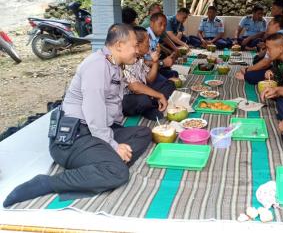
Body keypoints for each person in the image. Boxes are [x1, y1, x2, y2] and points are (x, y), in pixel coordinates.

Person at [3, 24, 152, 208]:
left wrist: (113, 141)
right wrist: (113, 145)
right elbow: (94, 114)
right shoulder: (96, 65)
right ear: (120, 45)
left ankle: (101, 165)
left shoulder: (113, 64)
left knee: (144, 133)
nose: (138, 51)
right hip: (74, 138)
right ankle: (47, 183)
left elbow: (109, 112)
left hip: (96, 133)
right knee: (118, 173)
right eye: (135, 46)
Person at [123, 27, 175, 120]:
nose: (150, 44)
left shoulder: (139, 58)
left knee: (169, 84)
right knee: (143, 99)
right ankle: (150, 107)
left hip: (143, 92)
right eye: (147, 41)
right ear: (137, 44)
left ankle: (151, 106)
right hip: (127, 98)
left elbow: (149, 79)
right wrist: (159, 95)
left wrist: (155, 62)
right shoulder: (126, 59)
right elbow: (135, 87)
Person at [236, 15, 283, 84]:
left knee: (250, 75)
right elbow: (267, 58)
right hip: (278, 66)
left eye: (270, 24)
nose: (267, 27)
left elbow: (266, 62)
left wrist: (247, 70)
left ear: (276, 25)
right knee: (258, 61)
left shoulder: (280, 37)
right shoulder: (281, 35)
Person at [146, 12, 178, 79]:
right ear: (152, 23)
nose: (163, 27)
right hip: (145, 73)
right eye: (160, 24)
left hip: (152, 67)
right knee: (171, 81)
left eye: (165, 25)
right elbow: (142, 63)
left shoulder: (155, 36)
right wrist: (162, 63)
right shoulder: (146, 37)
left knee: (174, 74)